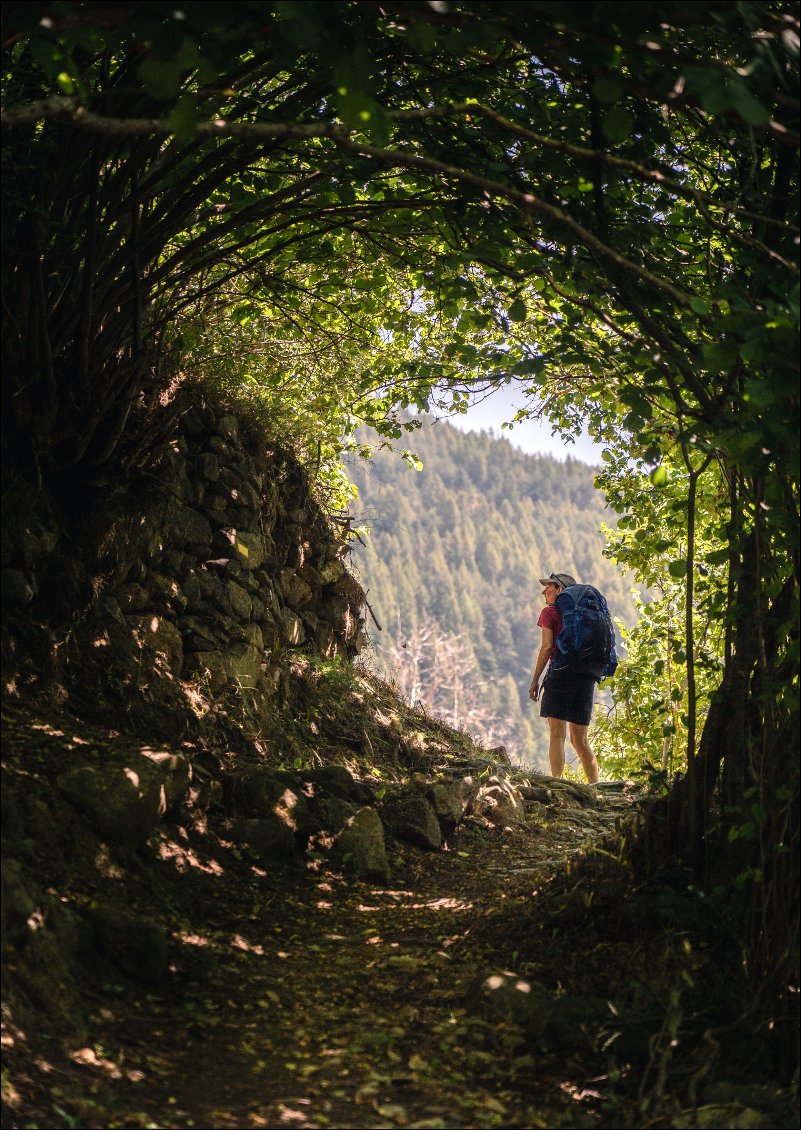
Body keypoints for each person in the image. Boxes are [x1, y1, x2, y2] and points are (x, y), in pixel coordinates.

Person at [529, 572, 600, 784]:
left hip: (560, 674)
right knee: (580, 740)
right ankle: (596, 787)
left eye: (548, 587)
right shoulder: (587, 615)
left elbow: (547, 647)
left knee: (557, 734)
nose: (544, 591)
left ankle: (558, 785)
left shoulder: (549, 612)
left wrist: (535, 679)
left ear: (560, 590)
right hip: (585, 677)